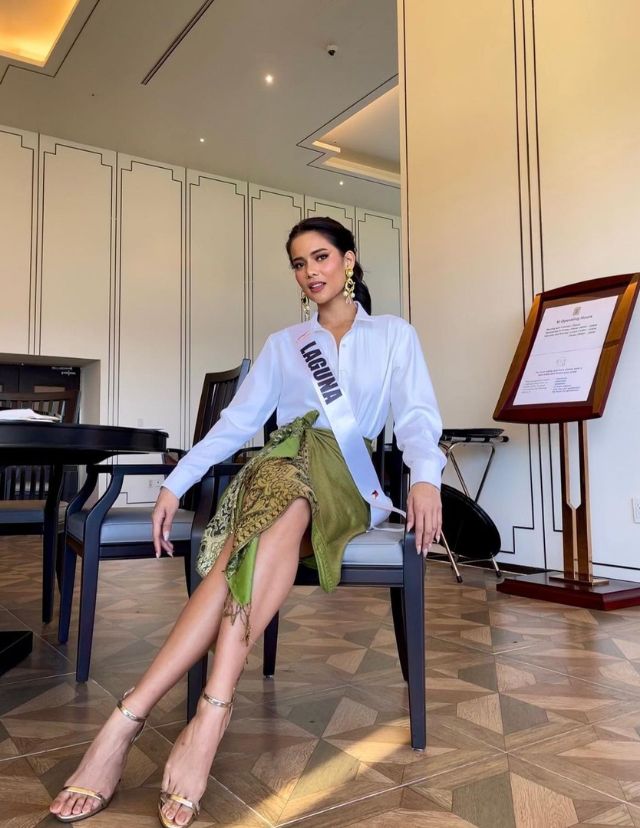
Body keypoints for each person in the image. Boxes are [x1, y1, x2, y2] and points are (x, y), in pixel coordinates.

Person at [49, 217, 445, 827]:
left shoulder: (393, 334)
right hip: (281, 463)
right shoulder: (286, 344)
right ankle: (210, 714)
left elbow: (416, 416)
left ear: (348, 260)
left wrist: (425, 477)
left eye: (320, 257)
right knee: (282, 497)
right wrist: (176, 482)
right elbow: (236, 424)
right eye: (298, 263)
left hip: (348, 477)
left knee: (258, 529)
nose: (310, 272)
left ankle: (127, 718)